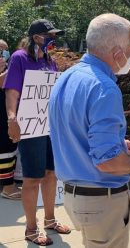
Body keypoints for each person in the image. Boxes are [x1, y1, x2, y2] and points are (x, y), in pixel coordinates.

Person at [49, 13, 130, 248]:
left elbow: (76, 131)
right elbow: (108, 162)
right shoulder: (104, 88)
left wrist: (118, 143)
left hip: (75, 196)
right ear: (117, 53)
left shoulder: (66, 77)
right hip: (101, 201)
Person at [3, 19, 70, 246]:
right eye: (49, 35)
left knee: (51, 174)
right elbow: (12, 91)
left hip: (50, 125)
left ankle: (50, 219)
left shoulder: (51, 61)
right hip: (29, 127)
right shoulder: (19, 58)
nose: (53, 39)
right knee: (32, 178)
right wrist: (12, 118)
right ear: (36, 37)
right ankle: (31, 228)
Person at [0, 39, 21, 200]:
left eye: (5, 51)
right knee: (5, 149)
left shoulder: (6, 67)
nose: (4, 55)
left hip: (6, 115)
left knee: (9, 148)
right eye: (1, 51)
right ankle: (8, 187)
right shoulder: (7, 70)